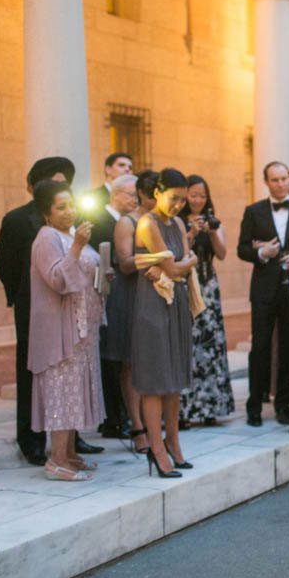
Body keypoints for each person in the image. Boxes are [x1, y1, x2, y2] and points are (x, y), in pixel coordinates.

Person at [0, 156, 84, 466]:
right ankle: (32, 440)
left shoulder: (74, 218)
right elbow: (4, 263)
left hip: (71, 306)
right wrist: (20, 294)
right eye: (54, 182)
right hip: (35, 306)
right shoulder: (18, 219)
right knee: (33, 370)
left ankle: (71, 439)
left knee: (70, 369)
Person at [27, 181, 104, 482]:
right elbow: (57, 279)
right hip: (60, 329)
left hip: (83, 326)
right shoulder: (46, 238)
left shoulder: (70, 234)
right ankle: (56, 460)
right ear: (47, 212)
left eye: (71, 205)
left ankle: (70, 453)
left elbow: (87, 269)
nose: (69, 211)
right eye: (61, 207)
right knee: (62, 390)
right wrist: (77, 247)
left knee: (75, 389)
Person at [237, 161, 289, 427]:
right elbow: (241, 249)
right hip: (263, 289)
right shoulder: (254, 211)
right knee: (259, 348)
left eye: (284, 178)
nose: (281, 183)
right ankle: (254, 406)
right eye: (275, 179)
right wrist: (262, 253)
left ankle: (284, 405)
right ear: (266, 182)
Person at [133, 168, 198, 476]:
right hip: (152, 304)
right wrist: (186, 263)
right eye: (173, 198)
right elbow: (176, 268)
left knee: (174, 380)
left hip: (177, 303)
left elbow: (179, 263)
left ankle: (173, 443)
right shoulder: (147, 222)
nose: (177, 206)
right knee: (154, 380)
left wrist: (181, 264)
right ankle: (156, 449)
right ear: (157, 192)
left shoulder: (180, 222)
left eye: (183, 200)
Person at [107, 171, 159, 452]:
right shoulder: (127, 223)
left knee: (151, 361)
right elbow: (125, 264)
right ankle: (137, 425)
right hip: (132, 295)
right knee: (131, 362)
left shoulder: (161, 221)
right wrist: (157, 258)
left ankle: (154, 423)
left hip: (157, 295)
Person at [178, 174, 234, 428]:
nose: (198, 200)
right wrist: (191, 232)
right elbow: (179, 252)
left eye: (202, 195)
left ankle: (211, 406)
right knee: (188, 345)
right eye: (193, 195)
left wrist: (210, 232)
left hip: (208, 286)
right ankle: (186, 409)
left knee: (210, 345)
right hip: (186, 285)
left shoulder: (213, 220)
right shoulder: (177, 221)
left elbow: (222, 254)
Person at [90, 173, 138, 439]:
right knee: (110, 354)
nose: (134, 200)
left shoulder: (135, 221)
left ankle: (126, 412)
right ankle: (111, 417)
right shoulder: (97, 220)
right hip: (107, 292)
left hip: (128, 292)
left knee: (125, 356)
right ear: (116, 194)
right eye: (131, 195)